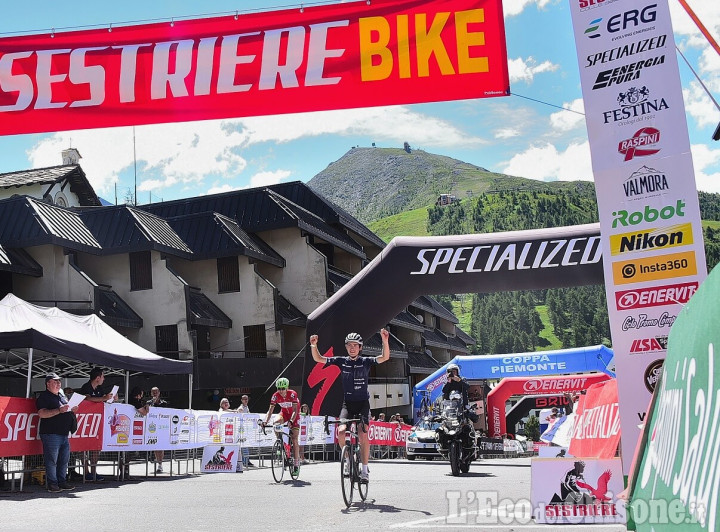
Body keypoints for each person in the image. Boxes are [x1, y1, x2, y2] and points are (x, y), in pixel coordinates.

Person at [310, 328, 390, 483]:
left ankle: (365, 470)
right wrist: (314, 346)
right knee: (340, 432)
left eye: (355, 345)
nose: (352, 347)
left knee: (362, 434)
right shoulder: (342, 361)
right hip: (348, 404)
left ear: (360, 347)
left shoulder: (365, 362)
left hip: (362, 404)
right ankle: (347, 460)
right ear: (346, 347)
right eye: (349, 345)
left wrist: (385, 341)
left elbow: (385, 357)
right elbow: (319, 359)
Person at [36, 373, 78, 492]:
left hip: (64, 433)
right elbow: (42, 413)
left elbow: (66, 409)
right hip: (51, 433)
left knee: (63, 460)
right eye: (55, 381)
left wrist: (72, 410)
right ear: (47, 383)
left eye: (59, 381)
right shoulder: (44, 397)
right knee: (52, 460)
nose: (58, 383)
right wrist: (59, 410)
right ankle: (53, 483)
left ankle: (62, 481)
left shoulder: (61, 396)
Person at [79, 367, 115, 481]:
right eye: (103, 377)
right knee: (83, 448)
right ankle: (86, 471)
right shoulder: (86, 387)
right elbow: (88, 399)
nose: (104, 379)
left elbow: (103, 399)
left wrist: (110, 398)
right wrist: (103, 398)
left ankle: (94, 471)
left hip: (97, 422)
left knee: (95, 448)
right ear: (98, 378)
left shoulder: (100, 388)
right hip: (85, 421)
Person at [262, 378, 301, 475]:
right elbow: (270, 410)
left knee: (295, 439)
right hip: (284, 413)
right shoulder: (275, 396)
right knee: (276, 423)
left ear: (287, 388)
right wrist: (265, 422)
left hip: (294, 416)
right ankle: (280, 443)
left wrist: (291, 421)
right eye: (279, 388)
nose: (281, 390)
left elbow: (296, 410)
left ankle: (296, 464)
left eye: (283, 388)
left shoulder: (292, 394)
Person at [148, 387, 169, 473]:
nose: (155, 393)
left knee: (161, 447)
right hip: (152, 428)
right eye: (153, 392)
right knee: (156, 447)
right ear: (151, 394)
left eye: (156, 392)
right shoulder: (149, 403)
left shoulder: (164, 403)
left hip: (162, 428)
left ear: (159, 393)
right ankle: (158, 461)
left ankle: (160, 464)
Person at [236, 395, 254, 467]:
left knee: (246, 445)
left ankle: (247, 460)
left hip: (246, 429)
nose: (245, 400)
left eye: (246, 399)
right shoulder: (241, 408)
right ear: (241, 400)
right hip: (241, 430)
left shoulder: (247, 407)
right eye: (244, 399)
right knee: (243, 446)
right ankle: (244, 461)